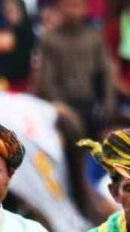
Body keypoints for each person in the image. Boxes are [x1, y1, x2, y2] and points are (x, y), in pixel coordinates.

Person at [35, 0, 113, 135]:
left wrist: (108, 104)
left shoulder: (94, 37)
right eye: (68, 6)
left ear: (85, 8)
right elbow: (47, 81)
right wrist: (60, 108)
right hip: (62, 107)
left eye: (76, 6)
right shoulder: (49, 39)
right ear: (59, 8)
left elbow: (106, 72)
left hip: (91, 105)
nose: (72, 11)